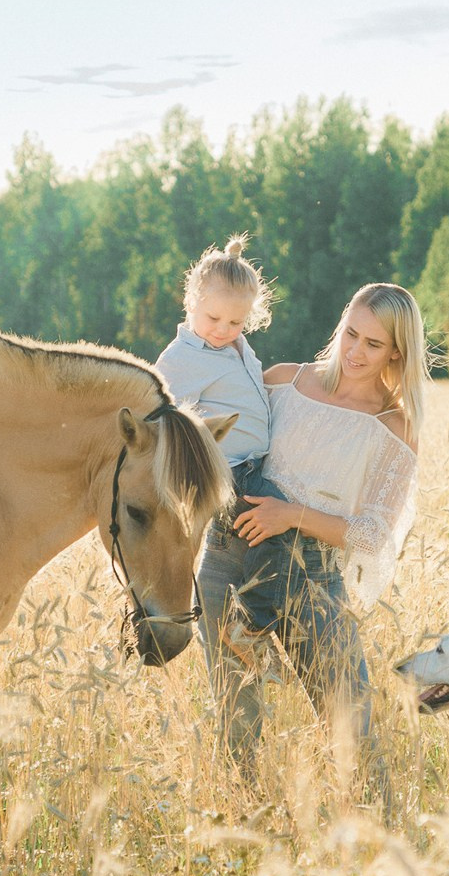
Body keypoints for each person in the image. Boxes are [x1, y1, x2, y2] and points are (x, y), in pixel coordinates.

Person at [196, 282, 427, 778]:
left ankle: (370, 820)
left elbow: (372, 536)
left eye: (373, 343)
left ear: (396, 352)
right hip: (229, 560)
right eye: (351, 333)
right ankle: (239, 815)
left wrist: (291, 515)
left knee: (353, 731)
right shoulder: (282, 382)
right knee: (237, 727)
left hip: (313, 580)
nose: (355, 351)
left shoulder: (394, 426)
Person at [154, 236, 295, 650]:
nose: (222, 330)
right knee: (277, 524)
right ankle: (252, 623)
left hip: (251, 465)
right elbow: (160, 414)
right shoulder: (183, 357)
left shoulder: (237, 347)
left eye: (235, 322)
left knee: (266, 535)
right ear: (191, 302)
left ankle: (247, 615)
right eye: (213, 318)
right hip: (229, 469)